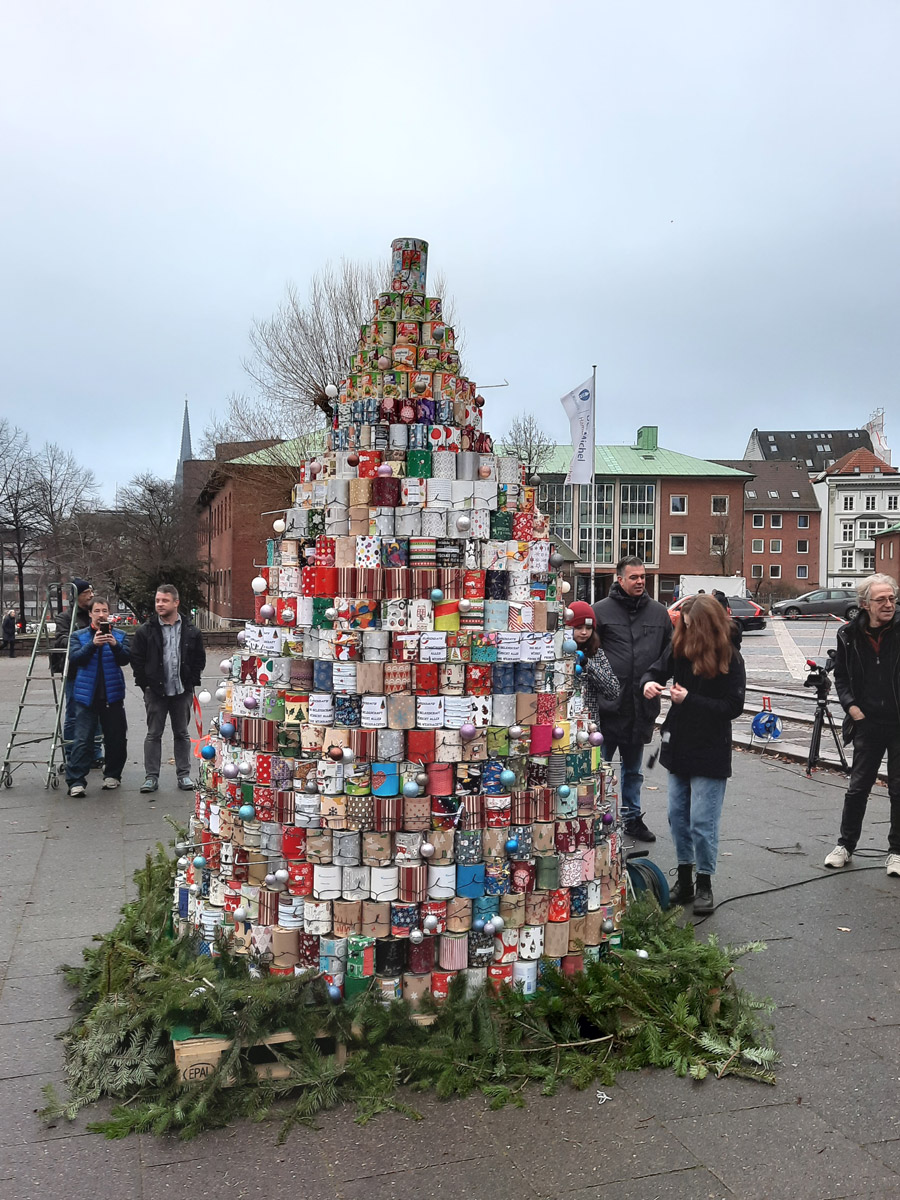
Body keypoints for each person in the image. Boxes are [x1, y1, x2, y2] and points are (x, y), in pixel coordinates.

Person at [642, 594, 746, 913]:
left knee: (703, 820)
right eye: (681, 624)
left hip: (710, 747)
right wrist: (648, 683)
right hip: (680, 744)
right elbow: (655, 670)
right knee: (677, 816)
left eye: (689, 624)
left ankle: (704, 883)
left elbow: (733, 707)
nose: (684, 630)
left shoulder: (730, 656)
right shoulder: (680, 648)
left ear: (704, 625)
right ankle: (685, 879)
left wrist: (690, 700)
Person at [591, 556, 672, 842]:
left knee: (634, 770)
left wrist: (657, 681)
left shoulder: (658, 614)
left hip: (641, 707)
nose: (640, 581)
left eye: (643, 577)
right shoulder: (599, 611)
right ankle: (595, 817)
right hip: (606, 707)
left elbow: (668, 655)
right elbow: (587, 652)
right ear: (620, 579)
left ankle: (632, 818)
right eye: (634, 577)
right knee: (598, 768)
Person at [826, 573, 900, 876]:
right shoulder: (848, 635)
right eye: (881, 599)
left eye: (892, 598)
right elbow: (841, 676)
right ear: (865, 604)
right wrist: (851, 707)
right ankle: (845, 845)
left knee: (899, 789)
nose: (888, 604)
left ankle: (896, 851)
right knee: (858, 788)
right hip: (866, 722)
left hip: (898, 722)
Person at [131, 584, 206, 794]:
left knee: (181, 733)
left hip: (182, 691)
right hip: (155, 691)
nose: (159, 604)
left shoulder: (191, 631)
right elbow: (136, 659)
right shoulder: (146, 631)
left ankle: (184, 775)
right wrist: (145, 684)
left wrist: (191, 682)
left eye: (164, 600)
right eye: (157, 601)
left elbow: (199, 658)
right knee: (153, 734)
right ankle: (151, 777)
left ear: (176, 602)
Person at [65, 597, 131, 796]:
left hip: (112, 695)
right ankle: (76, 780)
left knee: (116, 738)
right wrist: (93, 645)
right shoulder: (78, 636)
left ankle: (113, 775)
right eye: (97, 611)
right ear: (90, 614)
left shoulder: (119, 635)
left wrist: (115, 645)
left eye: (104, 611)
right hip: (87, 696)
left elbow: (126, 659)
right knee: (83, 739)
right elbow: (75, 659)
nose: (101, 614)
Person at [52, 579, 103, 769]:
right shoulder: (65, 618)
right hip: (75, 671)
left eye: (91, 591)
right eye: (86, 593)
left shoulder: (94, 615)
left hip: (95, 669)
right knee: (74, 714)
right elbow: (62, 640)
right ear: (76, 595)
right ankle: (72, 754)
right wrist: (85, 638)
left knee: (97, 713)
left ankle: (95, 753)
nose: (90, 596)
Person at [567, 600, 621, 717]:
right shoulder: (560, 653)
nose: (584, 632)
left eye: (589, 628)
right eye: (579, 627)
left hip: (589, 724)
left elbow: (613, 691)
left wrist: (588, 664)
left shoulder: (597, 653)